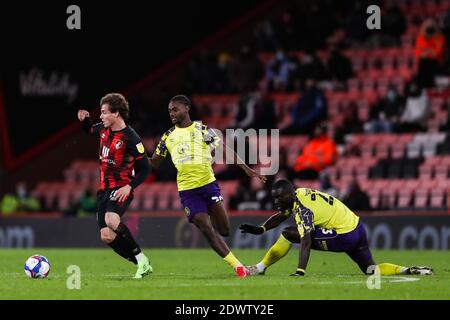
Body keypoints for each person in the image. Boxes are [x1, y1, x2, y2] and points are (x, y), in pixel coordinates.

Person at [150, 95, 266, 278]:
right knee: (205, 227)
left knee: (225, 230)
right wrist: (137, 157)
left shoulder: (202, 130)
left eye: (175, 109)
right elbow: (154, 163)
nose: (171, 113)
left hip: (208, 185)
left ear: (186, 108)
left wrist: (245, 168)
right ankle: (239, 268)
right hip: (188, 191)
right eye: (169, 110)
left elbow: (224, 150)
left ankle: (207, 220)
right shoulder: (167, 137)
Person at [240, 179, 433, 277]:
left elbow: (305, 240)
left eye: (279, 197)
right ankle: (409, 270)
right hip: (357, 227)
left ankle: (260, 268)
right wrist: (262, 229)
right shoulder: (299, 195)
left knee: (289, 234)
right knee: (371, 270)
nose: (276, 201)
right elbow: (282, 215)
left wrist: (300, 270)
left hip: (344, 234)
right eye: (274, 197)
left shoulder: (303, 209)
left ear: (289, 195)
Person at [77, 93, 152, 279]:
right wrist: (85, 120)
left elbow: (145, 169)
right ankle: (141, 262)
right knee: (106, 236)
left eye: (103, 112)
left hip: (120, 188)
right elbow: (88, 130)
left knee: (111, 220)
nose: (100, 116)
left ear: (116, 113)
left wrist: (130, 187)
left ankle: (141, 260)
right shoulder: (103, 129)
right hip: (103, 190)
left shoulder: (132, 139)